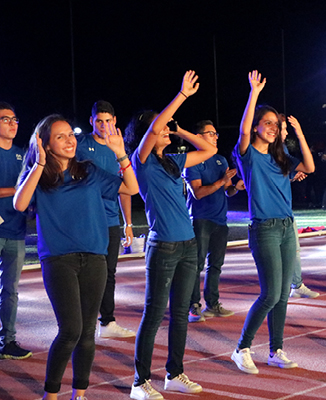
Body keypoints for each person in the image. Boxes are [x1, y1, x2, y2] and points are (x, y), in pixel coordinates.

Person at [14, 114, 138, 400]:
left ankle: (79, 394)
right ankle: (52, 394)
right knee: (70, 330)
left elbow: (131, 188)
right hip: (59, 261)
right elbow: (19, 204)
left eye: (71, 134)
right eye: (61, 136)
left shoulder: (89, 171)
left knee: (87, 333)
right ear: (44, 143)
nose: (70, 140)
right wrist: (40, 163)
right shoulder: (38, 175)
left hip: (95, 258)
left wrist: (121, 155)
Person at [125, 71, 216, 399]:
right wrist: (181, 96)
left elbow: (206, 150)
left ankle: (175, 373)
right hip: (162, 247)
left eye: (167, 126)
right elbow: (151, 130)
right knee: (153, 314)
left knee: (180, 314)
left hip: (188, 245)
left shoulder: (174, 161)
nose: (165, 129)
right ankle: (140, 382)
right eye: (162, 126)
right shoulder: (142, 161)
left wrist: (178, 128)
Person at [231, 71, 315, 374]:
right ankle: (242, 347)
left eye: (276, 125)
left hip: (285, 227)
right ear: (256, 127)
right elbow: (242, 134)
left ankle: (276, 349)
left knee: (282, 295)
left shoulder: (281, 158)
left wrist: (298, 133)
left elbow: (310, 166)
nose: (272, 128)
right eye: (267, 123)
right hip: (264, 228)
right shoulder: (248, 155)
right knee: (269, 293)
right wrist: (253, 93)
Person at [76, 100, 136, 338]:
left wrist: (128, 223)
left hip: (111, 221)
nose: (103, 125)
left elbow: (126, 190)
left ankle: (107, 322)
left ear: (115, 121)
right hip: (86, 220)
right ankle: (81, 322)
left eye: (107, 121)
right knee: (84, 270)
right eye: (98, 120)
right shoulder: (80, 146)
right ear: (91, 121)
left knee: (109, 272)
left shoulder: (118, 149)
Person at [184, 120, 244, 322]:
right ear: (199, 137)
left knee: (216, 265)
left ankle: (212, 303)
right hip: (200, 219)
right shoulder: (192, 161)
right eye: (211, 134)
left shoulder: (220, 160)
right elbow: (198, 192)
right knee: (197, 264)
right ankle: (193, 306)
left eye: (216, 134)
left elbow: (227, 190)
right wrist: (221, 181)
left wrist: (236, 187)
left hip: (220, 219)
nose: (215, 137)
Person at [0, 102, 31, 360]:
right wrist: (18, 190)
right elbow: (23, 190)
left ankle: (7, 341)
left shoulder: (23, 154)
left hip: (16, 230)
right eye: (5, 119)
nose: (12, 123)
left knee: (11, 290)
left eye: (15, 119)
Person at [278, 114, 319, 299]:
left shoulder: (283, 149)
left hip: (286, 210)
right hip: (268, 215)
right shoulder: (259, 152)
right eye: (284, 128)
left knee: (294, 249)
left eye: (287, 129)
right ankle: (281, 289)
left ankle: (296, 284)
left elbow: (309, 168)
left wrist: (300, 134)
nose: (286, 133)